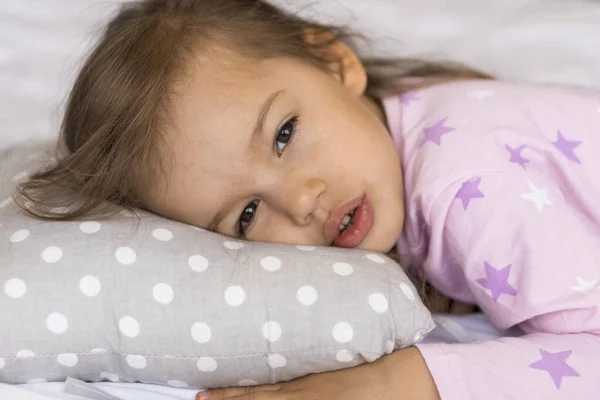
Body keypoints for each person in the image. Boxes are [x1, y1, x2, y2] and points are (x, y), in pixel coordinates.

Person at [16, 0, 600, 398]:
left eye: (284, 134)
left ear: (333, 62)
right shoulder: (405, 137)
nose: (302, 201)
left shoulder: (463, 184)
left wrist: (400, 382)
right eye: (246, 215)